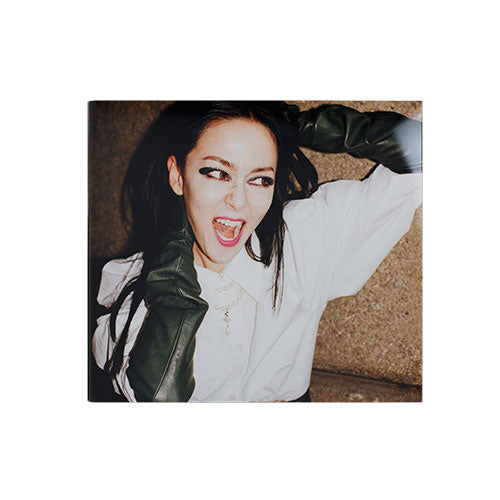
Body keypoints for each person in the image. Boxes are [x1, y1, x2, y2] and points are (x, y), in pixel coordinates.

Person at [92, 101, 422, 402]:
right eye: (218, 173)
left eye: (260, 179)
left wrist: (306, 127)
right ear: (178, 176)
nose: (239, 201)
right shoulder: (133, 286)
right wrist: (175, 286)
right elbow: (159, 398)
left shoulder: (302, 241)